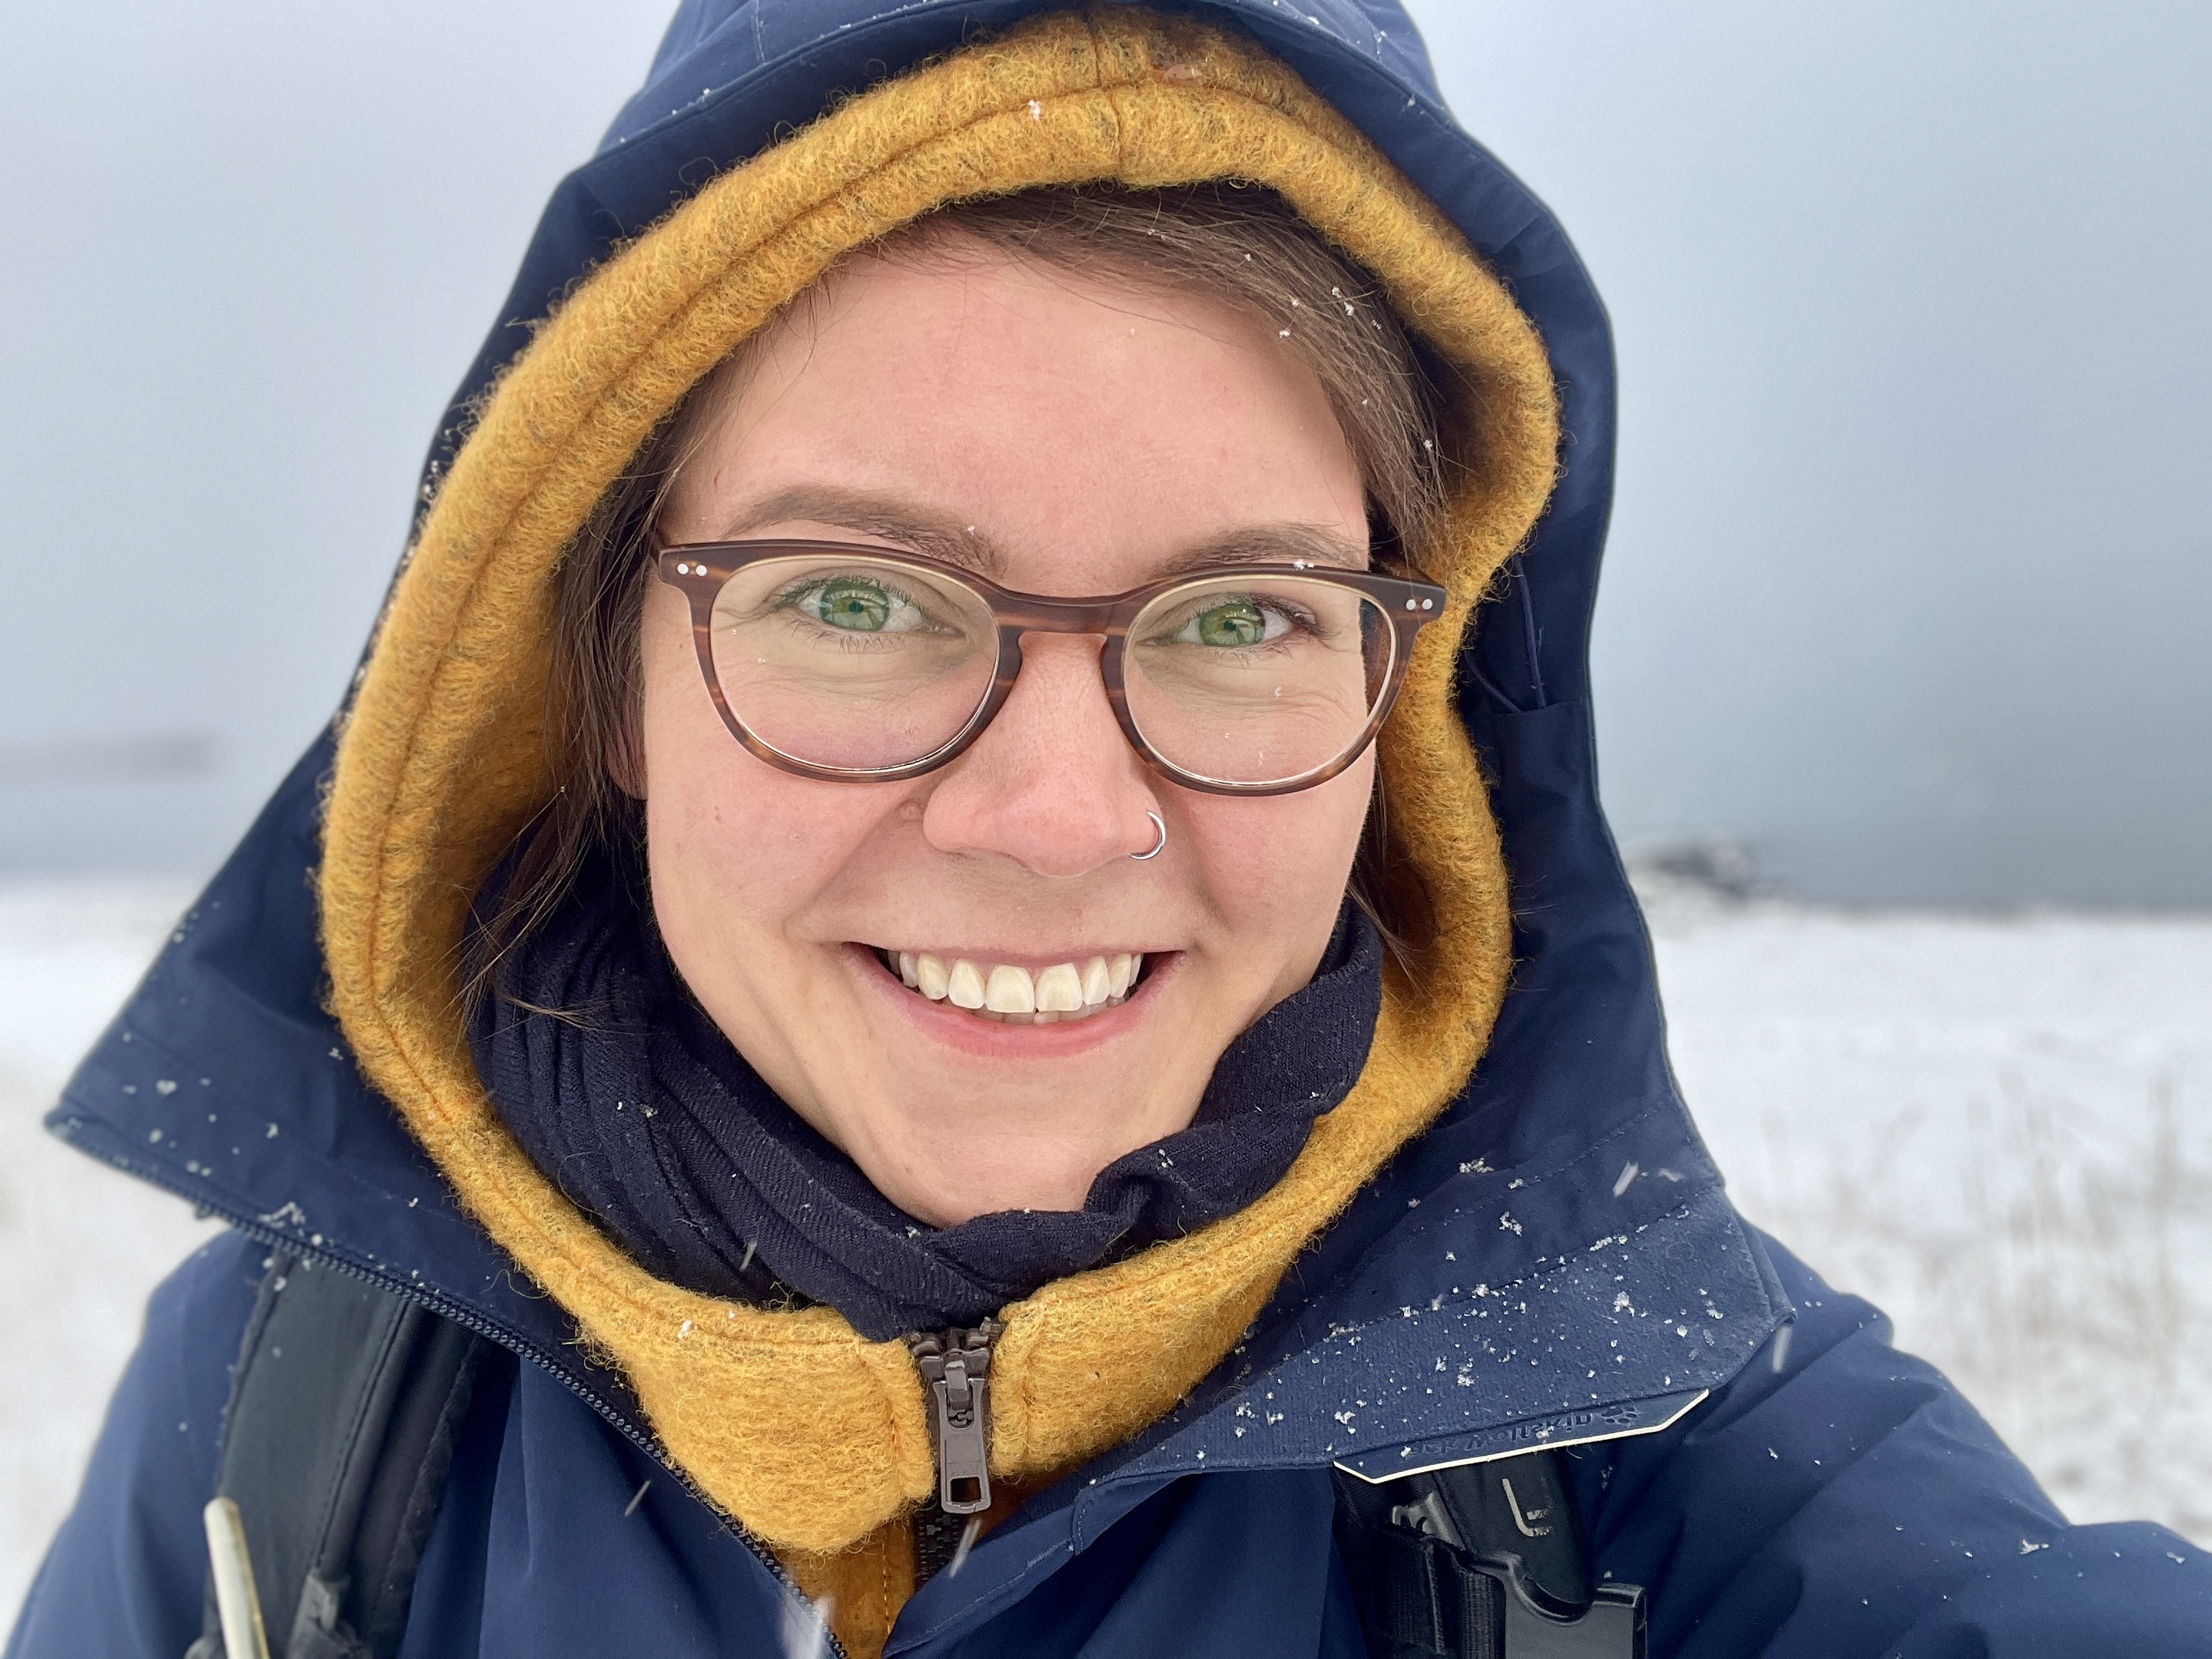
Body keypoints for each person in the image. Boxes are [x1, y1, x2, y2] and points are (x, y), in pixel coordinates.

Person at [8, 4, 2208, 1657]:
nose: (1061, 816)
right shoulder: (299, 1407)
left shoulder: (1660, 1463)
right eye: (856, 598)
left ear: (1404, 715)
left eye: (1242, 613)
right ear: (600, 688)